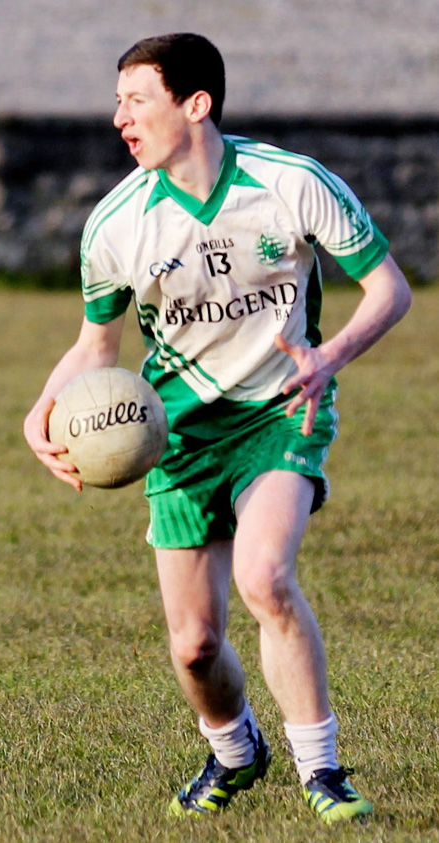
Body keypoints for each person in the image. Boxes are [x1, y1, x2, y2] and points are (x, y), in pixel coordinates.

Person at [24, 33, 412, 825]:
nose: (118, 118)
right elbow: (97, 346)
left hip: (281, 410)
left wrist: (328, 357)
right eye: (118, 101)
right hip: (176, 436)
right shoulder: (115, 225)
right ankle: (236, 751)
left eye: (137, 100)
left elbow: (389, 289)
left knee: (265, 575)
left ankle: (324, 769)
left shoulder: (290, 184)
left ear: (195, 104)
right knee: (195, 646)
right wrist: (42, 410)